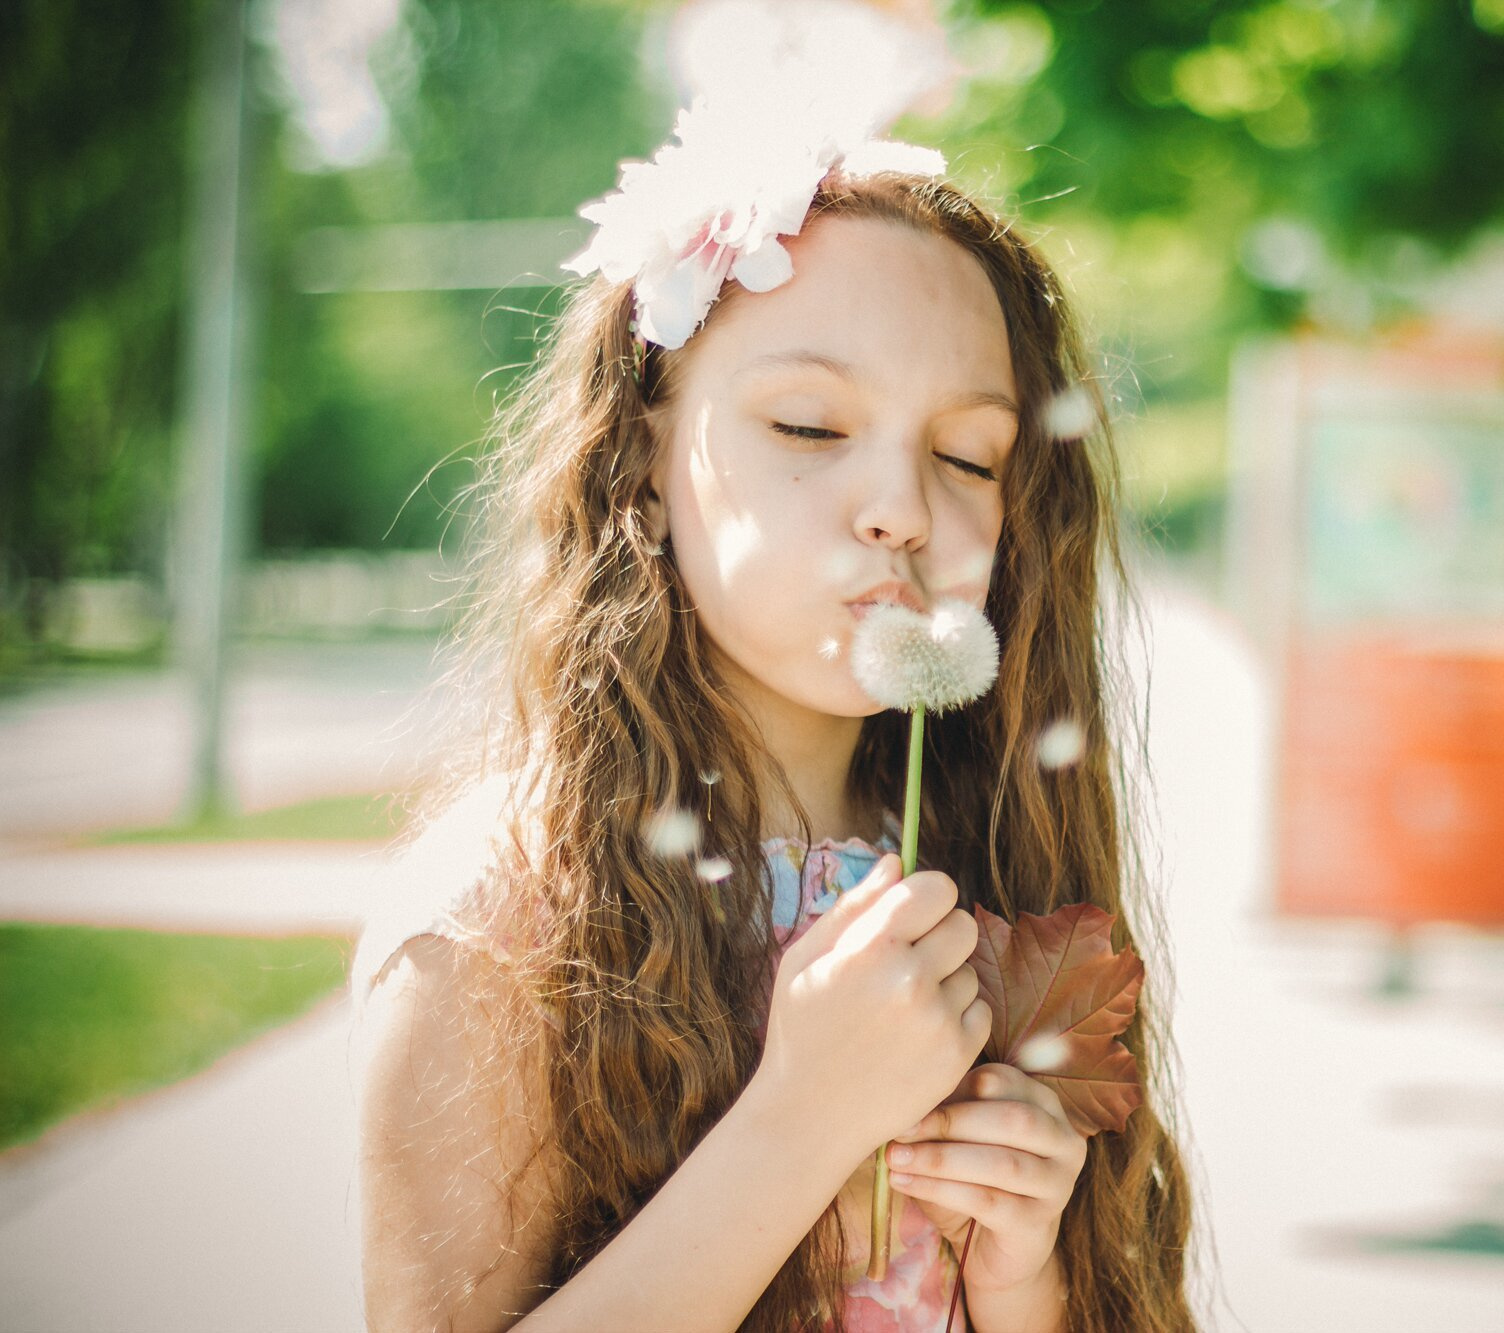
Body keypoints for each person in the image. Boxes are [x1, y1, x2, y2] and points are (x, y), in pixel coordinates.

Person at [345, 15, 1201, 1332]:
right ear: (638, 452)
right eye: (810, 423)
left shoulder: (1003, 879)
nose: (902, 508)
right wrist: (800, 1121)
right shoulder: (497, 928)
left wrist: (1024, 1279)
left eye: (968, 456)